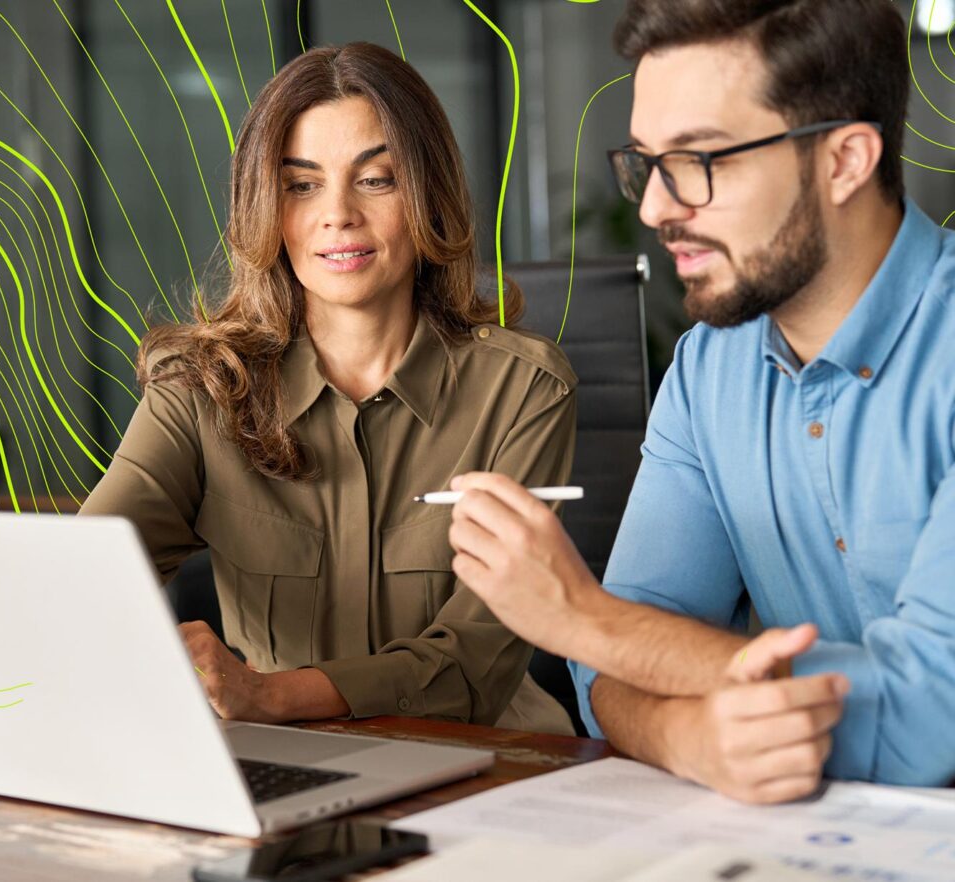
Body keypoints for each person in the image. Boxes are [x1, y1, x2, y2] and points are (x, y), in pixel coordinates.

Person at [448, 0, 955, 802]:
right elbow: (609, 674)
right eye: (647, 162)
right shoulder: (709, 367)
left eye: (700, 161)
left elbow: (933, 713)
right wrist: (687, 737)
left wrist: (581, 616)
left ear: (845, 160)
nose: (653, 209)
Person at [80, 42, 578, 736]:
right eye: (301, 184)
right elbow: (84, 573)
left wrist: (272, 696)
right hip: (282, 771)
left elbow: (475, 658)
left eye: (376, 179)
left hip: (488, 762)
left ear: (427, 193)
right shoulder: (197, 392)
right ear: (266, 204)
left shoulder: (522, 388)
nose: (337, 214)